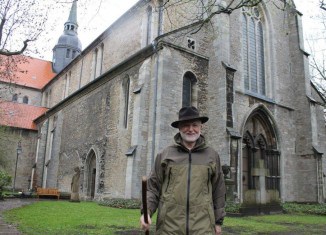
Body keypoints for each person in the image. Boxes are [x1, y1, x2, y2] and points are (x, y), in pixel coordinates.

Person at [140, 106, 226, 235]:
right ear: (179, 128)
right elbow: (152, 188)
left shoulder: (212, 155)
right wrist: (147, 212)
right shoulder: (165, 155)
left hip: (203, 227)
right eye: (186, 125)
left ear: (201, 127)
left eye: (195, 125)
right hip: (169, 227)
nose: (191, 129)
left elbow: (218, 189)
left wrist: (218, 222)